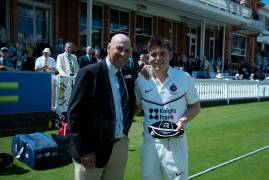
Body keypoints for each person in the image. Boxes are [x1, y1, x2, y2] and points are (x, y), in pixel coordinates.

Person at [68, 33, 138, 180]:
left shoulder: (130, 74)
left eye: (128, 50)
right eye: (119, 48)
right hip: (91, 151)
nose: (124, 54)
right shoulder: (89, 73)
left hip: (120, 147)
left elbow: (132, 105)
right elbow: (74, 114)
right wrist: (83, 150)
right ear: (108, 47)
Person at [135, 37, 200, 180]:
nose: (157, 58)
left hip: (175, 142)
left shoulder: (183, 77)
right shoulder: (141, 80)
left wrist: (183, 120)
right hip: (150, 142)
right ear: (148, 57)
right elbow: (137, 106)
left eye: (162, 54)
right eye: (153, 54)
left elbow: (195, 106)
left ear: (170, 55)